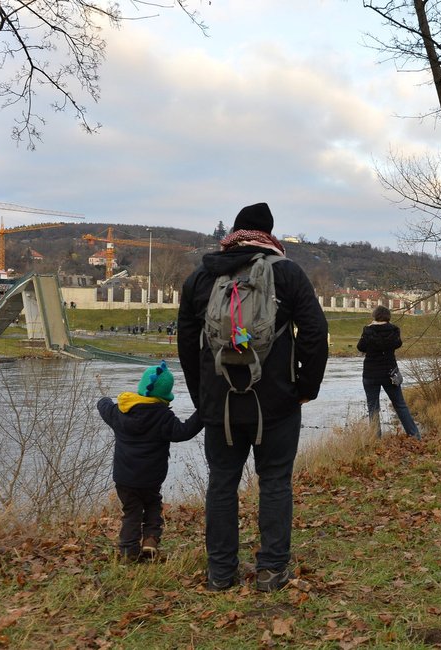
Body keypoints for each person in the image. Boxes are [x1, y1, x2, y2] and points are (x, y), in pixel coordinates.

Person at [178, 202, 329, 592]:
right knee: (275, 481)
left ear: (233, 233)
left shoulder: (201, 277)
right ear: (269, 235)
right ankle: (270, 571)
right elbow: (315, 334)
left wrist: (203, 400)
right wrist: (304, 389)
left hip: (219, 405)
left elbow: (185, 346)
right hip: (276, 402)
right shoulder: (288, 274)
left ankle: (220, 573)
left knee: (222, 483)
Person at [97, 361, 203, 562]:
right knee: (153, 507)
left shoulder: (120, 412)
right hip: (151, 479)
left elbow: (104, 407)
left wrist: (103, 400)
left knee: (131, 514)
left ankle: (128, 551)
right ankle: (150, 542)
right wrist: (203, 412)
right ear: (165, 394)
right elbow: (184, 432)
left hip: (124, 479)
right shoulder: (163, 416)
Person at [357, 305, 421, 440]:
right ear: (388, 317)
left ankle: (376, 439)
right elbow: (398, 344)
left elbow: (360, 347)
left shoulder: (368, 330)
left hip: (370, 374)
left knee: (373, 408)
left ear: (374, 316)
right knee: (400, 405)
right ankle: (415, 436)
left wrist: (369, 329)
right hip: (389, 373)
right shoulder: (394, 330)